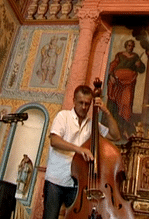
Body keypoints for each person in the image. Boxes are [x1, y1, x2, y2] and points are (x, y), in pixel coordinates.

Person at [43, 85, 121, 219]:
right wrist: (79, 149)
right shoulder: (63, 116)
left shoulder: (92, 124)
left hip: (76, 184)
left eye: (87, 104)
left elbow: (115, 136)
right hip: (56, 180)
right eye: (81, 103)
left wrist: (106, 111)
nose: (84, 107)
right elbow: (54, 141)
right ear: (74, 100)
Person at [107, 39, 145, 137]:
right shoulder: (119, 55)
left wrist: (139, 65)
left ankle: (125, 129)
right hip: (118, 81)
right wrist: (111, 75)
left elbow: (141, 69)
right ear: (125, 46)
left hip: (129, 82)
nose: (130, 47)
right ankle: (116, 129)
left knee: (127, 103)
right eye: (128, 45)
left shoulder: (135, 57)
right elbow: (112, 66)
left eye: (132, 46)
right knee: (116, 102)